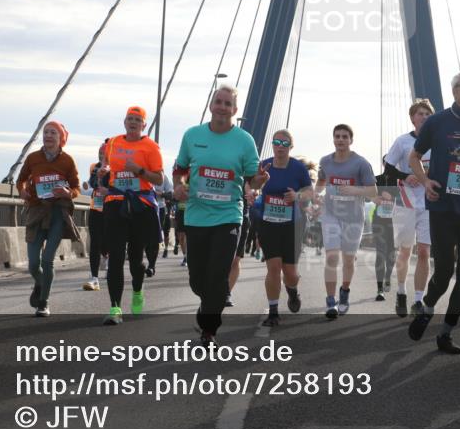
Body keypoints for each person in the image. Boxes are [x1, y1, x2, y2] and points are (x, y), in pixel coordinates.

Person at [407, 71, 460, 354]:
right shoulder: (437, 121)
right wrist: (425, 180)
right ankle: (427, 308)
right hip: (442, 206)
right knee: (444, 269)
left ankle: (446, 333)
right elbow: (414, 157)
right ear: (455, 90)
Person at [174, 86, 267, 346]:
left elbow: (252, 178)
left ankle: (209, 330)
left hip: (228, 214)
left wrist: (258, 180)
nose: (223, 107)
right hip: (196, 215)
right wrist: (179, 185)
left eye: (228, 104)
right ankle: (208, 302)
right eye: (219, 102)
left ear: (235, 111)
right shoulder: (192, 135)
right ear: (211, 105)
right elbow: (180, 169)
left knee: (217, 274)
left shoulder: (245, 140)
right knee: (197, 279)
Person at [99, 106, 165, 325]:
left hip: (140, 206)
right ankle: (115, 307)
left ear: (144, 125)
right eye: (130, 118)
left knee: (136, 260)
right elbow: (108, 169)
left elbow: (158, 179)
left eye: (138, 119)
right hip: (116, 203)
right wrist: (103, 173)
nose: (133, 122)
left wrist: (139, 170)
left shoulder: (151, 147)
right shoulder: (114, 142)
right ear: (124, 122)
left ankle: (137, 290)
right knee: (116, 257)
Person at [16, 121, 81, 317]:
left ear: (61, 139)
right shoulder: (33, 158)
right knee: (33, 264)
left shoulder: (67, 161)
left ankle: (43, 302)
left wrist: (67, 192)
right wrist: (22, 191)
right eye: (46, 132)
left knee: (47, 261)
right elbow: (20, 180)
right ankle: (40, 282)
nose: (48, 136)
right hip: (36, 212)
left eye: (53, 133)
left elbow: (76, 188)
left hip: (57, 214)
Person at [316, 124, 378, 319]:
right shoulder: (325, 161)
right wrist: (315, 197)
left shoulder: (361, 164)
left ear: (351, 140)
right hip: (330, 214)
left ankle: (345, 291)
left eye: (344, 136)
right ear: (333, 139)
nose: (340, 139)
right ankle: (330, 301)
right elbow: (320, 183)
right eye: (337, 136)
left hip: (353, 217)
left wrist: (356, 190)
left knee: (348, 260)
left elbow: (373, 192)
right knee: (332, 257)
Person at [382, 99, 434, 317]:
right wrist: (407, 176)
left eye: (427, 114)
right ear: (412, 118)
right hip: (406, 201)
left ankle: (418, 299)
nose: (423, 116)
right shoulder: (403, 141)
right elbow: (388, 168)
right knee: (405, 251)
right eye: (419, 113)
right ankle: (402, 292)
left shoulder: (438, 142)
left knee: (424, 251)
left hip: (430, 202)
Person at [257, 129, 314, 326]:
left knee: (290, 273)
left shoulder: (298, 168)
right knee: (273, 267)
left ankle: (292, 291)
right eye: (276, 142)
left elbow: (310, 192)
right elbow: (252, 186)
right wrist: (251, 193)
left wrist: (297, 196)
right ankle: (273, 312)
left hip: (293, 225)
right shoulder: (264, 165)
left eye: (284, 143)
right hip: (269, 223)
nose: (280, 146)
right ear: (272, 144)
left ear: (291, 147)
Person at [83, 140, 109, 291]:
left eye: (105, 155)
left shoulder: (117, 169)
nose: (101, 158)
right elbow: (92, 183)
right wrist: (97, 178)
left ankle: (108, 258)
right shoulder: (94, 167)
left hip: (112, 208)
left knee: (109, 240)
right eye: (100, 154)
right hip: (96, 207)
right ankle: (94, 277)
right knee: (95, 243)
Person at [372, 161, 397, 302]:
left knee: (391, 253)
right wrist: (375, 198)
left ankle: (388, 276)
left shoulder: (400, 181)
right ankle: (380, 288)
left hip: (395, 222)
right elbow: (366, 197)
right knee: (380, 252)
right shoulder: (376, 179)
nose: (389, 165)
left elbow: (406, 199)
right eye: (386, 162)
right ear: (383, 164)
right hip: (379, 221)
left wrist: (393, 198)